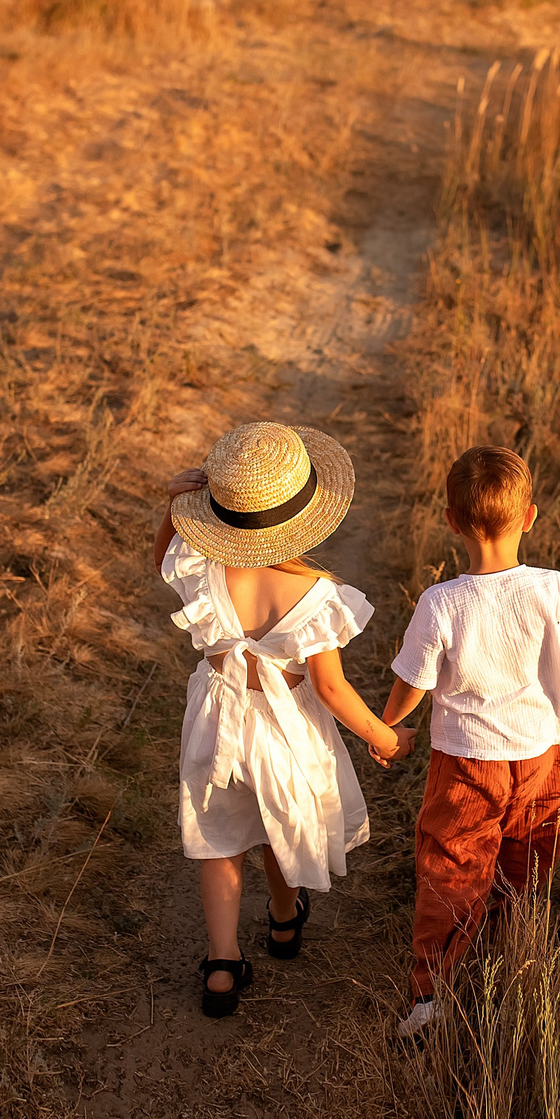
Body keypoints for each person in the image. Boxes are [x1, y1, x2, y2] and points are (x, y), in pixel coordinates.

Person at [155, 421, 402, 1019]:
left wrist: (172, 507)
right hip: (282, 727)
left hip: (215, 719)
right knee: (278, 821)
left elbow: (161, 555)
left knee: (218, 837)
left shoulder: (199, 563)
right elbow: (330, 687)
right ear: (304, 515)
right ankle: (285, 921)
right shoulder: (315, 595)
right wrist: (384, 736)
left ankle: (221, 964)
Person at [380, 445, 560, 1040]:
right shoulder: (554, 588)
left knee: (452, 866)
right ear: (530, 516)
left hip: (466, 761)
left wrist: (390, 727)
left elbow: (411, 684)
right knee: (526, 859)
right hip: (544, 755)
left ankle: (432, 995)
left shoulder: (441, 603)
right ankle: (508, 959)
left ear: (450, 521)